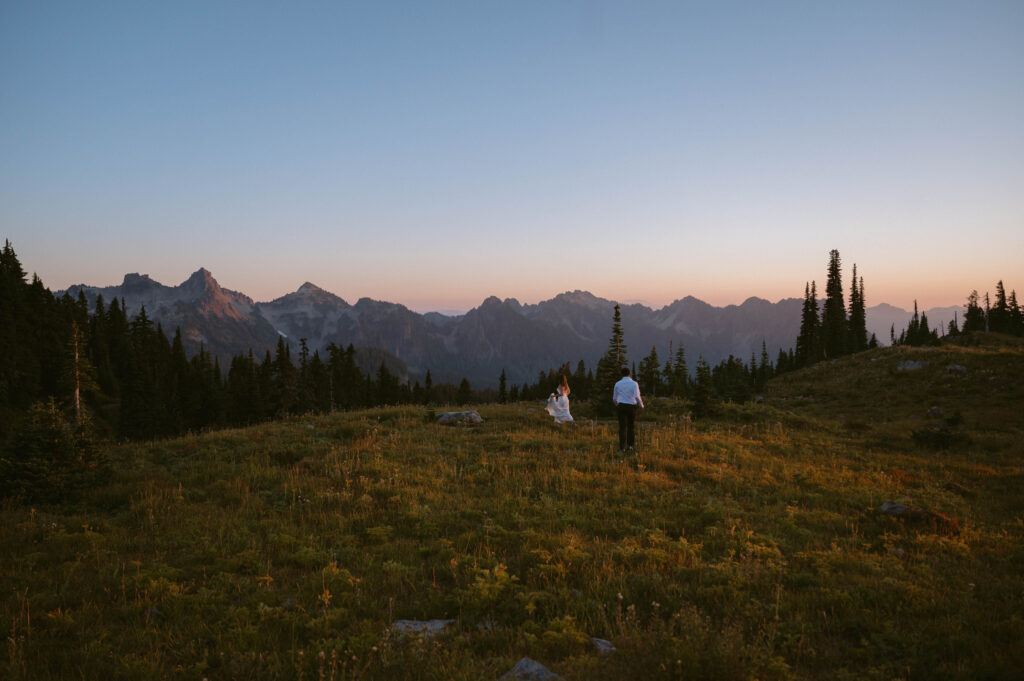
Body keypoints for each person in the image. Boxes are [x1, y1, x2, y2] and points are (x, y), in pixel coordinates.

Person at [612, 367, 644, 451]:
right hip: (631, 406)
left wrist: (617, 405)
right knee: (631, 427)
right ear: (629, 374)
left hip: (621, 406)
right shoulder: (634, 383)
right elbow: (637, 396)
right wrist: (641, 405)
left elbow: (614, 398)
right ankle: (630, 446)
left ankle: (622, 447)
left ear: (621, 374)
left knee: (622, 427)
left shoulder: (617, 384)